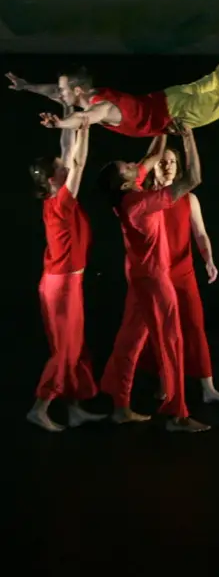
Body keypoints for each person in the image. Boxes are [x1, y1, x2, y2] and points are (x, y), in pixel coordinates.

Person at [98, 128, 209, 433]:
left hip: (137, 276)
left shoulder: (127, 190)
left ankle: (120, 406)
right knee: (172, 342)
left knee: (129, 342)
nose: (137, 165)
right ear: (124, 179)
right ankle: (177, 414)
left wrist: (161, 126)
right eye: (129, 167)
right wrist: (187, 138)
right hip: (154, 280)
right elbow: (192, 180)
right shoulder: (138, 202)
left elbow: (152, 156)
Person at [34, 18, 219, 137]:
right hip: (171, 95)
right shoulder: (93, 92)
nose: (60, 96)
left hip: (179, 114)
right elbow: (53, 91)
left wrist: (61, 123)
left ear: (79, 89)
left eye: (63, 92)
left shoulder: (101, 108)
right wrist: (27, 86)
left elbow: (83, 119)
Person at [138, 144, 219, 404]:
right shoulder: (144, 198)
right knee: (158, 331)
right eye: (162, 162)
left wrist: (209, 260)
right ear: (154, 166)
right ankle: (165, 385)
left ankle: (208, 388)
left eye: (172, 162)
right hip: (156, 275)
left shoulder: (188, 198)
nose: (167, 166)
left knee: (194, 327)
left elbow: (200, 233)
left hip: (183, 272)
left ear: (179, 168)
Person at [27, 124, 107, 431]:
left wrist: (72, 121)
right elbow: (79, 162)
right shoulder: (60, 203)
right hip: (60, 286)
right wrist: (83, 129)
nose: (67, 166)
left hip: (66, 284)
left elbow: (69, 154)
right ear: (52, 179)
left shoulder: (59, 201)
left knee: (75, 346)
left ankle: (74, 409)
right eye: (61, 169)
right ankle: (40, 407)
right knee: (65, 350)